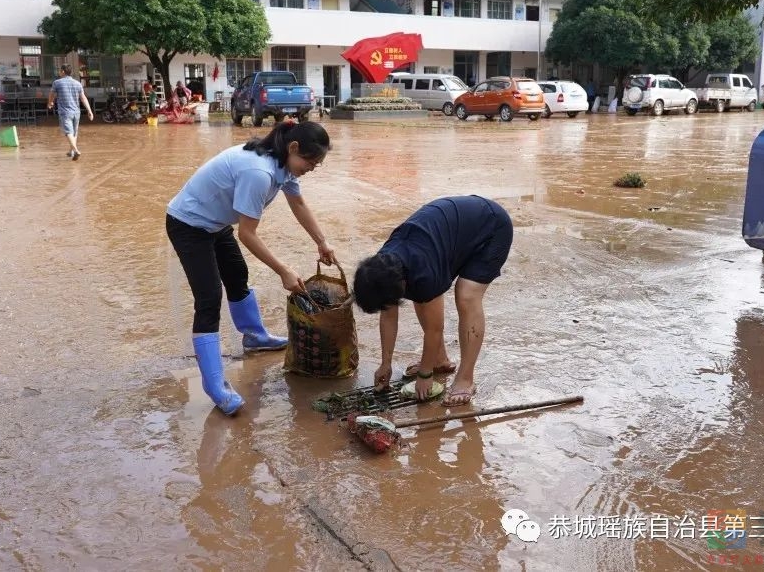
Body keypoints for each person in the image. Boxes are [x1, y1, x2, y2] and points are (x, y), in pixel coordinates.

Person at [166, 120, 336, 415]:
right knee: (208, 299)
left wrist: (322, 242)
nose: (311, 168)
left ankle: (254, 336)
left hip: (215, 223)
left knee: (237, 277)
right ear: (294, 148)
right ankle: (215, 385)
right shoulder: (259, 172)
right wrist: (283, 270)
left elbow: (298, 204)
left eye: (316, 165)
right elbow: (247, 234)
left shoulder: (283, 165)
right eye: (310, 162)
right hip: (189, 224)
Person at [353, 195, 513, 407]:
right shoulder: (382, 266)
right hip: (453, 230)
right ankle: (439, 360)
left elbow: (434, 329)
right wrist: (385, 364)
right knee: (422, 296)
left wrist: (425, 375)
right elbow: (389, 315)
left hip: (491, 228)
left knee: (466, 295)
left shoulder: (423, 271)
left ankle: (465, 379)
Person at [47, 64, 93, 160]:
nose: (59, 72)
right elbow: (83, 98)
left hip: (65, 112)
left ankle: (75, 150)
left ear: (63, 71)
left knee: (68, 132)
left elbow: (51, 94)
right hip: (76, 112)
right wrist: (89, 110)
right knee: (74, 132)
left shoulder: (57, 83)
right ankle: (71, 151)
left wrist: (50, 103)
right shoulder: (77, 83)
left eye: (60, 70)